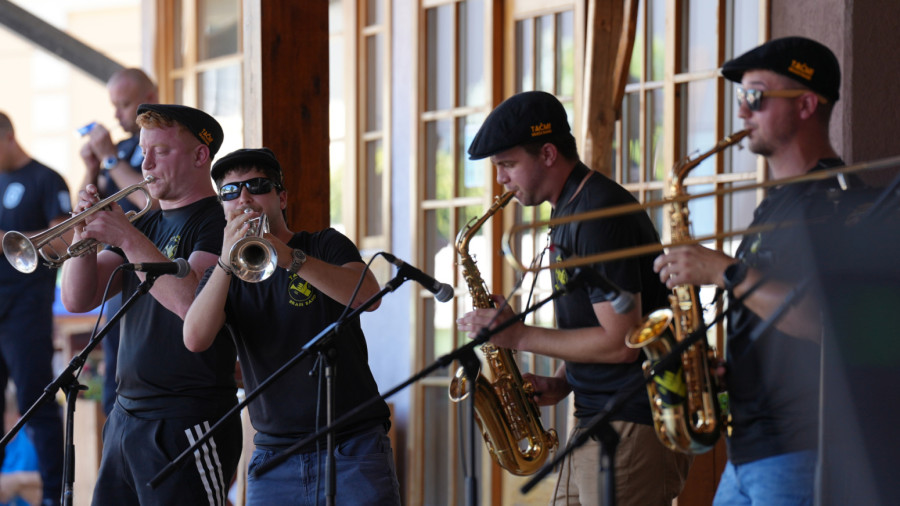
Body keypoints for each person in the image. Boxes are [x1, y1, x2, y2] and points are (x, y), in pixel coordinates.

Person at [456, 91, 691, 505]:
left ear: (547, 153)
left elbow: (623, 342)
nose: (501, 180)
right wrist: (562, 381)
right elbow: (595, 321)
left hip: (629, 421)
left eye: (508, 165)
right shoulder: (569, 207)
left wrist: (520, 336)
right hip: (597, 417)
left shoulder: (595, 216)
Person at [652, 36, 851, 505]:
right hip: (748, 452)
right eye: (741, 98)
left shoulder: (837, 200)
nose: (742, 112)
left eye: (755, 97)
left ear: (805, 104)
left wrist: (724, 271)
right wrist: (729, 369)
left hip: (798, 452)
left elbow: (825, 321)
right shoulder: (777, 202)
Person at [182, 147, 400, 505]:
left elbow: (368, 297)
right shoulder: (224, 273)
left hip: (352, 448)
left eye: (257, 186)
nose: (244, 198)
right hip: (274, 458)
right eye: (231, 192)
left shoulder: (323, 244)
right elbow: (195, 338)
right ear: (223, 207)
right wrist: (224, 261)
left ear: (281, 197)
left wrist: (289, 258)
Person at [60, 104, 241, 505]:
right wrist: (82, 234)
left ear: (200, 156)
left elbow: (192, 302)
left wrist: (125, 237)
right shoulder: (145, 224)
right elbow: (78, 297)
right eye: (143, 151)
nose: (146, 163)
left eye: (161, 151)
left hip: (188, 417)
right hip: (126, 415)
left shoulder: (219, 223)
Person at [78, 67, 159, 416]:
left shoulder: (161, 147)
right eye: (114, 105)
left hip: (156, 266)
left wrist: (111, 158)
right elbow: (80, 213)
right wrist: (93, 168)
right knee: (114, 375)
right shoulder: (124, 148)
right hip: (117, 268)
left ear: (150, 100)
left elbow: (151, 200)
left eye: (124, 105)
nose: (116, 114)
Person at [0, 111, 68, 506]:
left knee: (34, 402)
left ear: (8, 137)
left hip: (26, 310)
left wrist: (7, 240)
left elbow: (63, 241)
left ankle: (54, 496)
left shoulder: (46, 179)